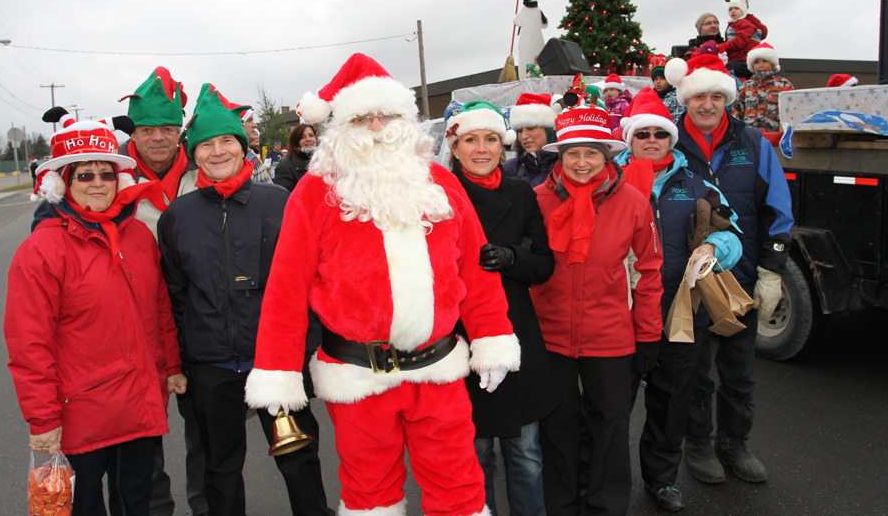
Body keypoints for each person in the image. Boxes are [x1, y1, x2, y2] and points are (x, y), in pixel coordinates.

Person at [245, 53, 520, 516]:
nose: (376, 126)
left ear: (405, 120)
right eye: (361, 117)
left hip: (439, 371)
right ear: (341, 126)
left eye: (386, 115)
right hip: (357, 376)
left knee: (458, 488)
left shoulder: (440, 183)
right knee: (370, 493)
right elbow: (287, 288)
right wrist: (279, 372)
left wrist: (491, 338)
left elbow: (474, 270)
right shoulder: (315, 192)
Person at [157, 84, 333, 516]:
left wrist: (304, 351)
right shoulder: (177, 217)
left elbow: (307, 281)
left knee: (299, 460)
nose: (218, 152)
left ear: (243, 147)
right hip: (211, 367)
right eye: (207, 145)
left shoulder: (278, 203)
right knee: (220, 467)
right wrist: (182, 360)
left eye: (227, 141)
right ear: (194, 154)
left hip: (274, 362)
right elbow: (176, 295)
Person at [5, 114, 185, 516]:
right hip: (79, 416)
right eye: (85, 175)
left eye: (106, 173)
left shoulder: (138, 235)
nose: (99, 183)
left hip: (138, 407)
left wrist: (171, 365)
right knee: (84, 507)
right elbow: (28, 343)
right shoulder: (41, 250)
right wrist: (42, 417)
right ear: (64, 182)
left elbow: (159, 311)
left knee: (137, 502)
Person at [665, 54, 794, 485]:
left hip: (740, 279)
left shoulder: (754, 142)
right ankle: (698, 444)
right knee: (695, 371)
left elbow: (777, 208)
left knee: (739, 372)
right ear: (685, 99)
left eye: (716, 95)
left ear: (727, 99)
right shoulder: (668, 141)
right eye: (698, 95)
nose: (707, 104)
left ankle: (735, 444)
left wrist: (772, 271)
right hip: (687, 282)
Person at [530, 101, 663, 516]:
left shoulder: (633, 202)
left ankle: (607, 507)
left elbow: (648, 273)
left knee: (610, 428)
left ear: (607, 156)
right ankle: (563, 507)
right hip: (549, 337)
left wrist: (648, 335)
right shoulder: (535, 200)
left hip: (610, 338)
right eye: (573, 153)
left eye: (592, 153)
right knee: (558, 430)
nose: (582, 162)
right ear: (560, 155)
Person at [616, 87, 744, 511]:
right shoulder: (607, 180)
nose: (651, 140)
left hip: (681, 312)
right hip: (618, 316)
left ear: (671, 139)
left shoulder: (697, 184)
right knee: (612, 406)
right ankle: (606, 481)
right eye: (642, 134)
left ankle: (662, 478)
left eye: (659, 133)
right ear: (628, 139)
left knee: (672, 403)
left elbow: (732, 232)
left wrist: (714, 248)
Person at [446, 101, 556, 516]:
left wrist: (511, 258)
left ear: (502, 146)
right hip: (457, 338)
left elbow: (544, 263)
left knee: (526, 454)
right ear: (455, 148)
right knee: (473, 456)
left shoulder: (521, 193)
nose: (481, 148)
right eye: (470, 140)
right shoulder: (438, 195)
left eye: (490, 139)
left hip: (515, 333)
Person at [119, 66, 205, 516]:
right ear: (135, 131)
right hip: (136, 327)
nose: (158, 138)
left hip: (197, 323)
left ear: (179, 131)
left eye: (167, 129)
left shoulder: (204, 166)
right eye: (148, 129)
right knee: (141, 445)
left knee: (205, 439)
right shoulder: (109, 175)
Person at [732, 42, 793, 133]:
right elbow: (737, 110)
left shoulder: (783, 84)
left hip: (775, 132)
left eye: (765, 61)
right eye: (757, 62)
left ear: (772, 63)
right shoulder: (745, 86)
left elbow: (791, 109)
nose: (761, 65)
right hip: (750, 133)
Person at [503, 92, 560, 187]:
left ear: (549, 129)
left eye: (531, 128)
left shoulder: (566, 167)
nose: (524, 136)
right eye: (520, 130)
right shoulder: (509, 169)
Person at [718, 0, 768, 80]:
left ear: (743, 10)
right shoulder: (735, 23)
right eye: (730, 9)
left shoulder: (743, 23)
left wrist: (723, 46)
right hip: (737, 58)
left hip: (742, 58)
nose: (733, 11)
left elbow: (741, 41)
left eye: (736, 8)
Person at [275, 123, 317, 191]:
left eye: (311, 135)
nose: (308, 139)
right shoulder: (285, 167)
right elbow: (283, 197)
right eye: (302, 137)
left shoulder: (325, 163)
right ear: (296, 142)